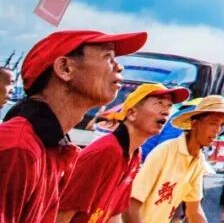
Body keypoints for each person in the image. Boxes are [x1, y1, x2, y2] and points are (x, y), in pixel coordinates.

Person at [0, 29, 146, 223]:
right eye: (107, 57)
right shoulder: (17, 149)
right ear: (65, 68)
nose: (119, 67)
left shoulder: (55, 150)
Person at [58, 83, 188, 223]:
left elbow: (114, 214)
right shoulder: (105, 152)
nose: (166, 112)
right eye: (159, 104)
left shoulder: (135, 155)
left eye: (169, 106)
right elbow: (61, 215)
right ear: (132, 113)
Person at [127, 95, 224, 222]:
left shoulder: (198, 161)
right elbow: (131, 204)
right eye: (213, 123)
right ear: (194, 124)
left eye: (222, 125)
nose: (218, 130)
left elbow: (194, 210)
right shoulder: (165, 152)